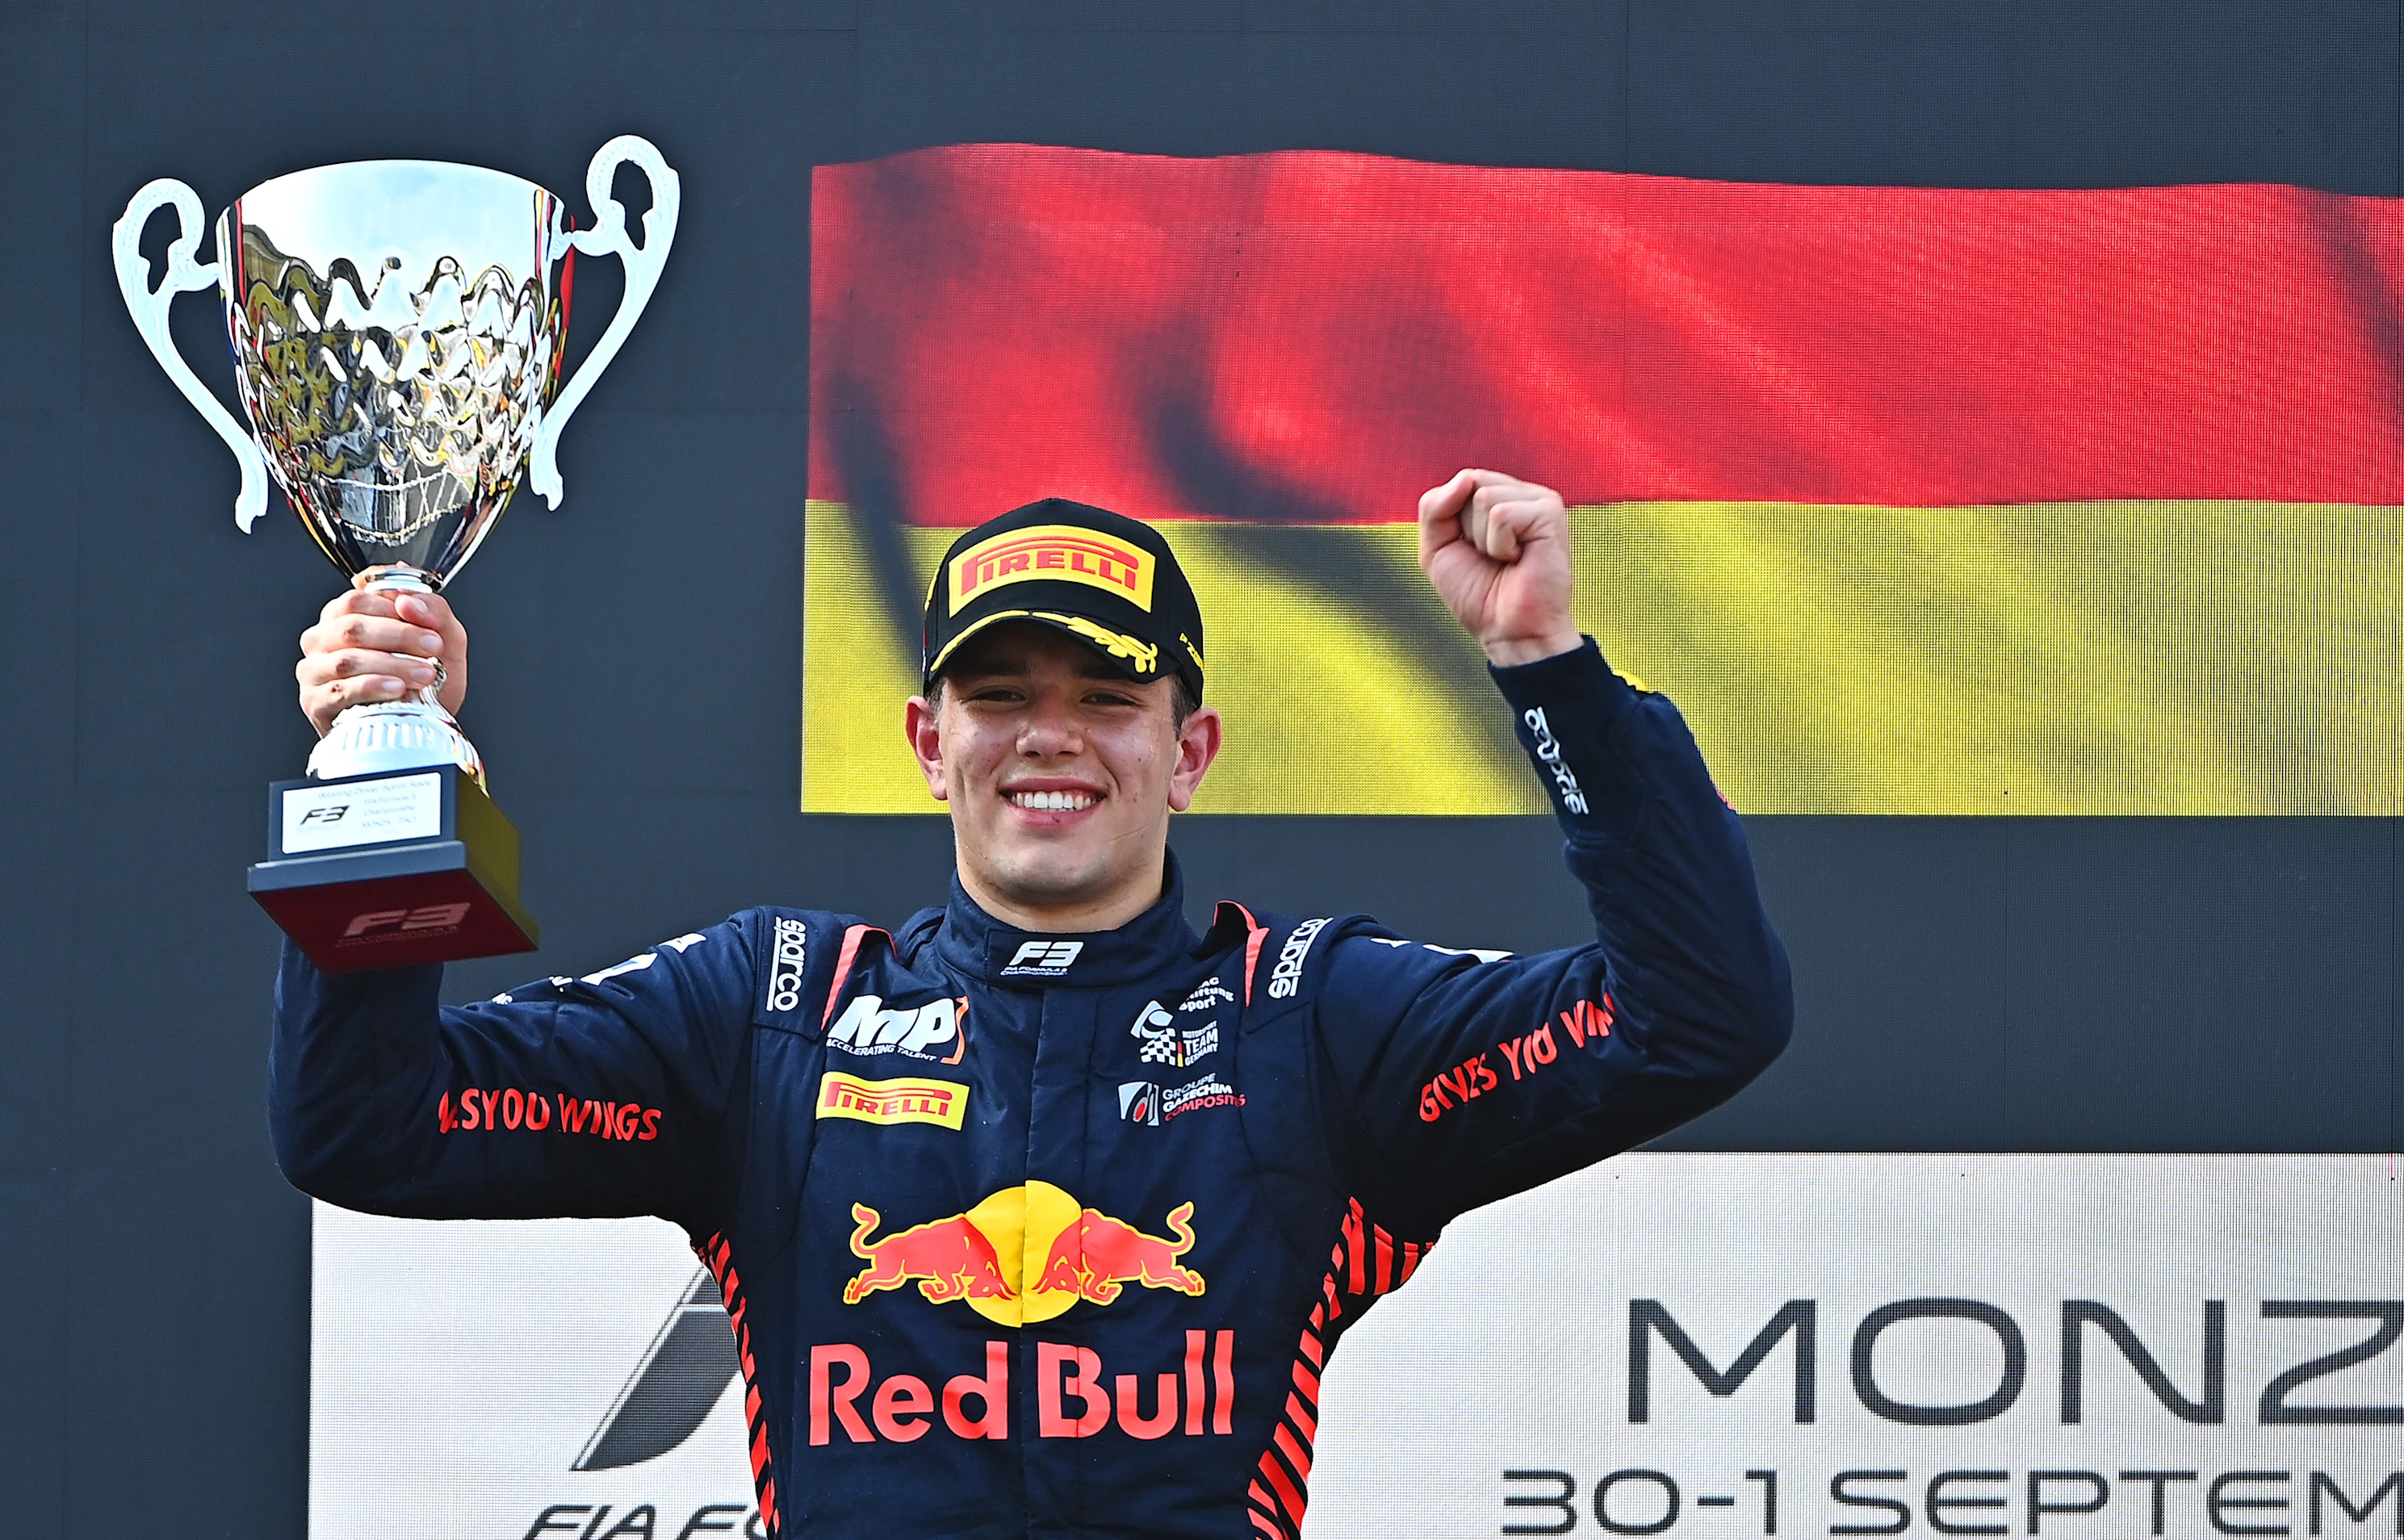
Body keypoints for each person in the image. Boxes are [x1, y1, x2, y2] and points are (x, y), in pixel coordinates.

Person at [274, 469, 1792, 1539]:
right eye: (1003, 697)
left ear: (1190, 749)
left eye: (1108, 697)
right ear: (931, 741)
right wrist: (389, 766)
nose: (1049, 740)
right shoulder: (774, 1013)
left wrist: (1550, 669)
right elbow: (368, 1127)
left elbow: (1698, 1015)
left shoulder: (1307, 1018)